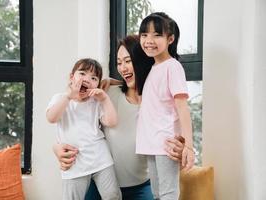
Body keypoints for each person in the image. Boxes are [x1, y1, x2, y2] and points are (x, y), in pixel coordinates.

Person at [53, 35, 186, 200]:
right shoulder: (106, 94)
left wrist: (180, 152)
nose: (122, 68)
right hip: (99, 184)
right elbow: (73, 120)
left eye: (128, 61)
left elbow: (170, 158)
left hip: (141, 187)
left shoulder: (160, 105)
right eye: (119, 62)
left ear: (143, 60)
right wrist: (56, 147)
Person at [136, 12, 195, 200]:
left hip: (166, 143)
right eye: (144, 35)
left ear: (170, 39)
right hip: (151, 142)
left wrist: (189, 146)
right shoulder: (153, 68)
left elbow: (182, 107)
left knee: (168, 194)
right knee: (158, 194)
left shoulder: (173, 67)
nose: (149, 40)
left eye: (157, 35)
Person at [46, 58, 121, 200]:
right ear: (71, 77)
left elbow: (111, 122)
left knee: (112, 195)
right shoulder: (61, 98)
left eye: (93, 78)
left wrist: (104, 98)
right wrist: (68, 96)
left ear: (97, 85)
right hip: (74, 162)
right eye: (82, 74)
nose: (87, 79)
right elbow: (51, 118)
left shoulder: (96, 102)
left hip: (101, 160)